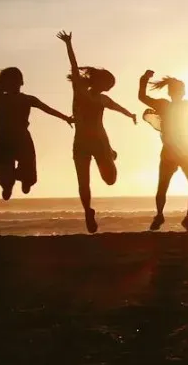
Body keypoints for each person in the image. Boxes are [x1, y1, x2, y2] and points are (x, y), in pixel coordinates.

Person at [0, 47, 73, 200]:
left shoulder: (28, 99)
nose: (14, 83)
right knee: (2, 170)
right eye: (10, 80)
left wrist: (65, 117)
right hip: (4, 137)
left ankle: (23, 181)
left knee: (29, 172)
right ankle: (8, 185)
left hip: (21, 138)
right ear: (5, 83)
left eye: (16, 79)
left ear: (21, 82)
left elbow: (48, 109)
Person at [57, 32, 138, 233]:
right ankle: (87, 212)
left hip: (100, 142)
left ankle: (110, 154)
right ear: (100, 82)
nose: (109, 89)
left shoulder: (102, 100)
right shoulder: (80, 90)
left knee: (110, 180)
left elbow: (117, 106)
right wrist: (68, 44)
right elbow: (74, 67)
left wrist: (130, 115)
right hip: (81, 144)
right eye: (108, 85)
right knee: (83, 182)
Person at [139, 70, 188, 231]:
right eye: (180, 89)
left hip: (181, 152)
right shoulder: (172, 105)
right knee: (187, 188)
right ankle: (173, 217)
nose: (181, 92)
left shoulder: (176, 105)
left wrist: (144, 79)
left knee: (174, 187)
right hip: (179, 152)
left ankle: (177, 217)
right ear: (176, 92)